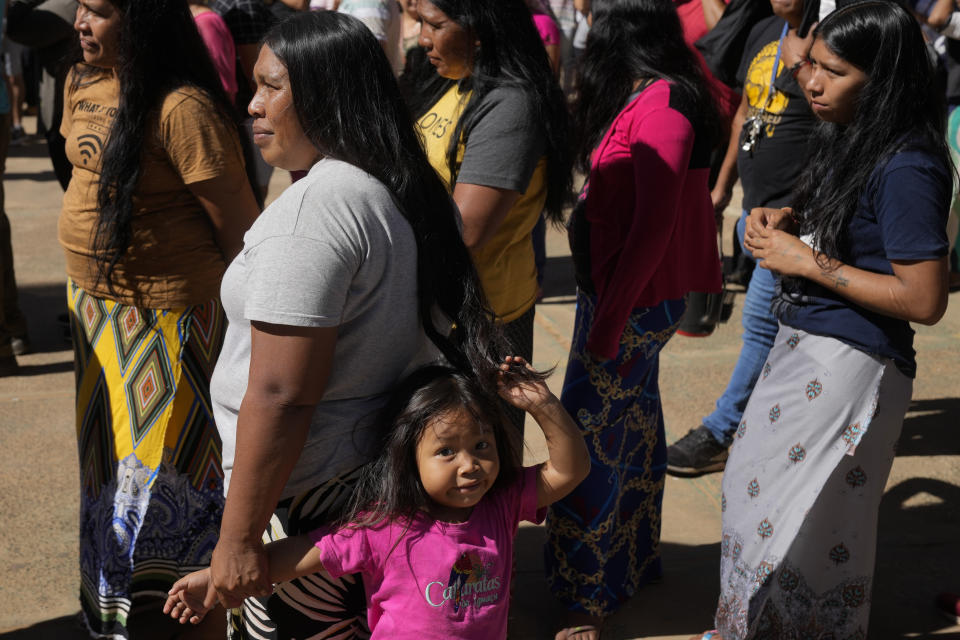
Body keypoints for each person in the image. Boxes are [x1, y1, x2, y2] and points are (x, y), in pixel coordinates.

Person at [205, 11, 509, 639]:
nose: (252, 105)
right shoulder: (404, 186)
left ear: (325, 94)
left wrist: (238, 540)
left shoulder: (315, 214)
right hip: (374, 487)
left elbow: (282, 394)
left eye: (271, 86)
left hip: (308, 499)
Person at [702, 2, 952, 637]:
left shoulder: (909, 165)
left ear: (882, 79)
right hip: (807, 350)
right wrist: (787, 217)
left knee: (800, 528)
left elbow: (924, 298)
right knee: (756, 505)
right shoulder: (850, 133)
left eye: (833, 71)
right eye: (811, 63)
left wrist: (807, 261)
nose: (810, 82)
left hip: (852, 367)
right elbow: (847, 222)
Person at [61, 0, 260, 637]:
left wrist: (255, 338)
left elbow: (241, 230)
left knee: (167, 486)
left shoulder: (184, 108)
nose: (80, 23)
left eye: (97, 11)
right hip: (95, 315)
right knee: (110, 478)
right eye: (80, 9)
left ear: (142, 18)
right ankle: (130, 609)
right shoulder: (81, 81)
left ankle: (191, 614)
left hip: (170, 323)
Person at [165, 359, 590, 637]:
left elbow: (572, 469)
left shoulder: (501, 503)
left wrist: (541, 404)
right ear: (408, 458)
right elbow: (300, 554)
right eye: (446, 451)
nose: (469, 465)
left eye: (482, 446)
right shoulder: (386, 525)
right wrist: (216, 581)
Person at [545, 1, 723, 638]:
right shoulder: (665, 92)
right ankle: (631, 562)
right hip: (626, 297)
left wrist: (608, 320)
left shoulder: (664, 109)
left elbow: (653, 229)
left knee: (587, 442)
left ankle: (588, 593)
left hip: (630, 301)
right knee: (635, 429)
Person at [667, 0, 818, 477]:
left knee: (759, 326)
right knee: (789, 331)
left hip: (790, 219)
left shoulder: (829, 40)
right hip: (753, 209)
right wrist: (722, 186)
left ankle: (721, 432)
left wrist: (799, 210)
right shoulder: (764, 31)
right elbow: (746, 112)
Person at [412, 0, 571, 420]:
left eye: (435, 25)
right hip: (441, 308)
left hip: (483, 318)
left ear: (480, 30)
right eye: (420, 23)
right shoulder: (451, 79)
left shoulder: (510, 104)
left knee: (477, 462)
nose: (422, 37)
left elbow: (465, 230)